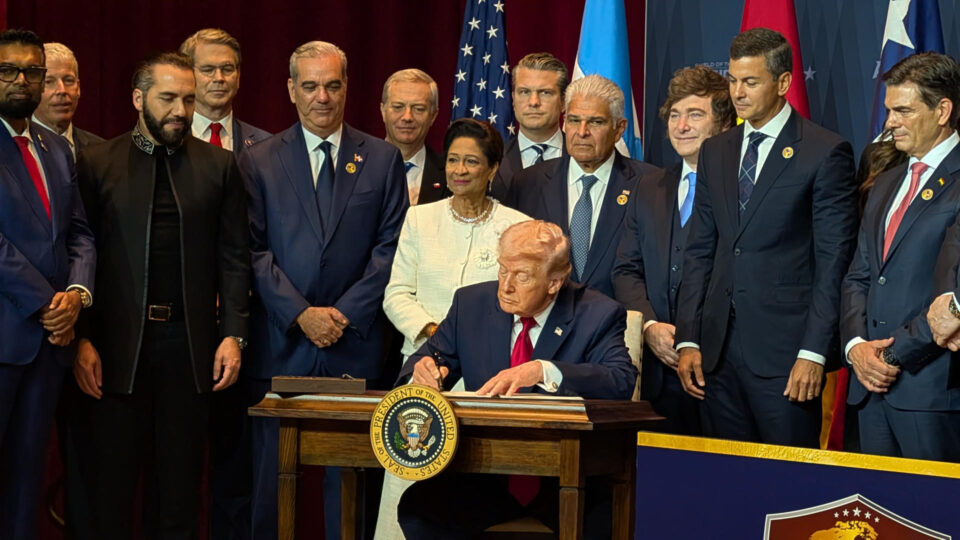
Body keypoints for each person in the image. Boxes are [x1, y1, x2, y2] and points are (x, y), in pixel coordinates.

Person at [73, 51, 250, 538]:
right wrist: (82, 339)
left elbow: (235, 260)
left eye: (188, 100)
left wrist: (233, 335)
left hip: (189, 351)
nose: (180, 110)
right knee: (109, 497)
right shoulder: (97, 163)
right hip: (115, 351)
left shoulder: (219, 166)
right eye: (168, 98)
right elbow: (79, 253)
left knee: (178, 498)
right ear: (138, 99)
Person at [240, 40, 408, 539]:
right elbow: (251, 250)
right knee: (271, 487)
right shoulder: (258, 160)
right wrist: (301, 314)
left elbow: (391, 248)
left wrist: (342, 314)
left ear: (346, 88)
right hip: (282, 344)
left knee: (350, 490)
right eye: (310, 86)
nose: (322, 97)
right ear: (291, 89)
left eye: (332, 85)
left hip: (354, 345)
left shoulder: (382, 158)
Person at [675, 28, 859, 448]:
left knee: (786, 479)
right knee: (726, 476)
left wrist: (813, 352)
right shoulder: (716, 150)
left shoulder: (824, 152)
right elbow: (700, 251)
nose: (738, 93)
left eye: (751, 82)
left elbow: (833, 262)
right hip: (716, 356)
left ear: (783, 82)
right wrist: (689, 338)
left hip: (786, 357)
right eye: (733, 80)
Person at [395, 220, 635, 538]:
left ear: (554, 282)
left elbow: (620, 380)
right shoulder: (471, 304)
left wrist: (543, 370)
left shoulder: (598, 313)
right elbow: (426, 362)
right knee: (419, 509)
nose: (505, 286)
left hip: (565, 478)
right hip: (485, 473)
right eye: (502, 270)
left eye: (521, 276)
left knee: (603, 521)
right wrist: (422, 373)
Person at [377, 118, 529, 539]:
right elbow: (396, 294)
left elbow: (521, 303)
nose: (459, 170)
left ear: (493, 168)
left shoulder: (516, 227)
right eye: (453, 160)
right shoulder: (419, 219)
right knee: (407, 477)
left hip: (485, 379)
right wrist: (435, 335)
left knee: (469, 495)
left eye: (472, 162)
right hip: (423, 372)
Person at [841, 52, 960, 462]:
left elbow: (953, 298)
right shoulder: (886, 181)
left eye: (903, 111)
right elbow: (859, 275)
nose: (889, 122)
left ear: (942, 111)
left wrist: (891, 356)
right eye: (889, 110)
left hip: (931, 392)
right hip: (868, 390)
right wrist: (856, 347)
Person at [0, 28, 95, 539]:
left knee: (25, 481)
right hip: (9, 334)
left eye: (32, 71)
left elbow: (79, 233)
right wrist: (46, 304)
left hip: (48, 348)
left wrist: (76, 295)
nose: (22, 80)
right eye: (9, 70)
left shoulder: (56, 149)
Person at [613, 65, 735, 435]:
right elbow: (626, 269)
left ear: (724, 124)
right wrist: (649, 326)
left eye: (695, 115)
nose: (681, 126)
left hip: (720, 370)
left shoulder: (742, 189)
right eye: (675, 115)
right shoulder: (648, 186)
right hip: (657, 370)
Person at [511, 74, 660, 298]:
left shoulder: (650, 184)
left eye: (596, 122)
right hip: (548, 314)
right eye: (573, 120)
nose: (582, 132)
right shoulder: (529, 183)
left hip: (620, 316)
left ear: (619, 129)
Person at [489, 52, 568, 201]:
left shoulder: (582, 156)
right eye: (524, 92)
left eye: (545, 92)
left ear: (563, 102)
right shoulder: (492, 158)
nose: (533, 102)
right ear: (513, 99)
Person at [179, 28, 270, 155]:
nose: (219, 78)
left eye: (227, 69)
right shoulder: (167, 140)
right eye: (208, 69)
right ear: (188, 75)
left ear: (238, 76)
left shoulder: (266, 145)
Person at [381, 68, 447, 205]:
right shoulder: (358, 167)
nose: (407, 117)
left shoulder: (449, 174)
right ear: (383, 111)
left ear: (433, 116)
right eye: (398, 107)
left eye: (418, 109)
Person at [32, 42, 103, 157]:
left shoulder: (102, 151)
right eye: (49, 81)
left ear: (78, 88)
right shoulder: (13, 149)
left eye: (68, 80)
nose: (62, 90)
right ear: (33, 89)